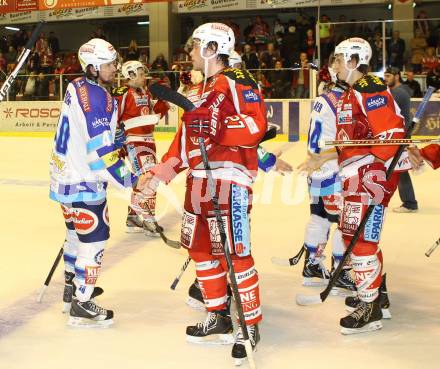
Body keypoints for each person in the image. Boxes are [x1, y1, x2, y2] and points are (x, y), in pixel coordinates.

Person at [146, 23, 266, 363]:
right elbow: (183, 144)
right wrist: (159, 175)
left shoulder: (239, 81)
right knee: (200, 249)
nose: (191, 51)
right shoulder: (197, 91)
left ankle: (250, 324)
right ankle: (219, 316)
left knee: (235, 252)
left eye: (196, 45)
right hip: (198, 182)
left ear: (213, 48)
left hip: (228, 179)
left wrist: (218, 128)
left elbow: (255, 126)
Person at [49, 39, 149, 327]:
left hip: (62, 176)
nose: (114, 68)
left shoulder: (75, 85)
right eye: (108, 64)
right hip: (83, 180)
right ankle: (82, 301)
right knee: (95, 239)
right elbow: (100, 158)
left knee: (74, 235)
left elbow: (87, 133)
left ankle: (72, 287)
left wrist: (113, 135)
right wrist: (132, 181)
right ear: (92, 67)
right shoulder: (99, 98)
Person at [332, 38, 410, 334]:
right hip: (359, 173)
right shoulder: (353, 92)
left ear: (353, 60)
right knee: (358, 236)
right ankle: (377, 294)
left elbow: (390, 137)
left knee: (359, 240)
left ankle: (370, 306)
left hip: (368, 175)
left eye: (339, 60)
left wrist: (366, 160)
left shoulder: (369, 88)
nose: (336, 66)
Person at [296, 65, 356, 296]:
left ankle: (312, 265)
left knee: (319, 217)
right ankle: (341, 272)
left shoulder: (323, 99)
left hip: (316, 170)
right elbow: (347, 142)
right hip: (333, 169)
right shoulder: (343, 101)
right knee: (344, 222)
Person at [112, 60, 169, 235]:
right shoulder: (122, 93)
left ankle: (134, 217)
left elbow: (152, 116)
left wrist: (163, 101)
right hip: (134, 141)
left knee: (144, 179)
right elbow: (113, 120)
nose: (145, 77)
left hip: (148, 140)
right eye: (141, 73)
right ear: (130, 75)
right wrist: (117, 145)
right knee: (150, 178)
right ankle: (149, 220)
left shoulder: (145, 92)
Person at [383, 67, 418, 213]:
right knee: (398, 169)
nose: (386, 78)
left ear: (397, 76)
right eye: (385, 75)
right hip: (397, 135)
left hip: (399, 136)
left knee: (400, 170)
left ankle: (410, 203)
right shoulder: (396, 91)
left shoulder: (398, 93)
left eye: (389, 75)